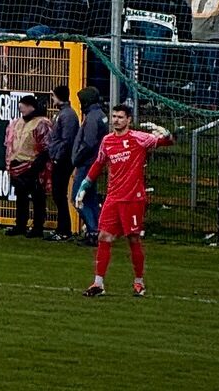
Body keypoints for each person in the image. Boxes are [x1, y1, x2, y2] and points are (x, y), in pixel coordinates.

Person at [77, 104, 172, 297]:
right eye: (114, 116)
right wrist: (84, 185)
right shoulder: (107, 141)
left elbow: (166, 142)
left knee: (133, 238)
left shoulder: (139, 138)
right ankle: (98, 284)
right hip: (113, 197)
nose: (116, 120)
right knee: (104, 237)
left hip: (132, 198)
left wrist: (167, 134)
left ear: (128, 120)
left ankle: (139, 282)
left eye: (120, 117)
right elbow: (99, 163)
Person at [4, 92, 50, 237]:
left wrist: (37, 165)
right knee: (21, 197)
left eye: (24, 106)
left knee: (37, 197)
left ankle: (37, 227)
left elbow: (46, 147)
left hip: (33, 165)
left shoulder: (41, 123)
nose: (21, 108)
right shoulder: (16, 123)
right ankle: (20, 225)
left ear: (31, 107)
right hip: (17, 164)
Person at [71, 86, 108, 243]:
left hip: (87, 163)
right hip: (94, 162)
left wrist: (77, 158)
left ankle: (93, 231)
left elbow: (89, 142)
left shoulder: (92, 117)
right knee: (90, 198)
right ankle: (98, 230)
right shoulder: (101, 115)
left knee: (77, 197)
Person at [47, 82, 79, 239]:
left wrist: (58, 157)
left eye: (53, 96)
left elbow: (67, 140)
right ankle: (62, 228)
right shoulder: (64, 114)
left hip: (63, 160)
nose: (52, 99)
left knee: (59, 194)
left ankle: (64, 230)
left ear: (58, 97)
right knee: (57, 194)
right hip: (60, 158)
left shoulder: (67, 115)